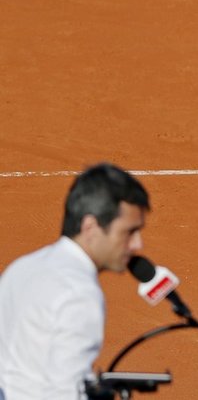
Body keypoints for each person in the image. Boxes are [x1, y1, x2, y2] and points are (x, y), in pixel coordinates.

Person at [0, 163, 150, 399]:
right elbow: (66, 391)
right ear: (90, 227)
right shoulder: (79, 293)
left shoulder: (22, 267)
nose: (137, 244)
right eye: (129, 232)